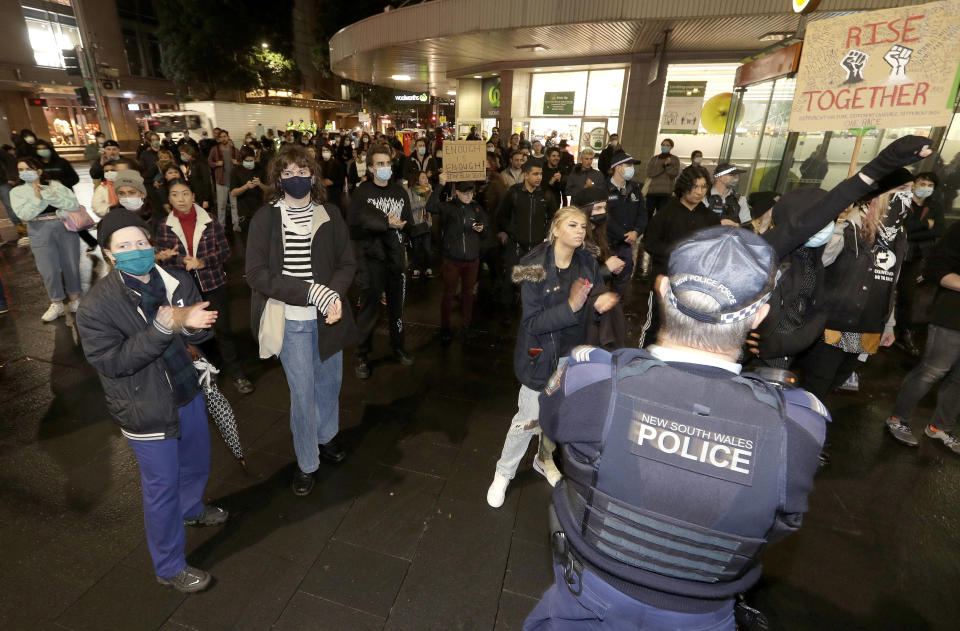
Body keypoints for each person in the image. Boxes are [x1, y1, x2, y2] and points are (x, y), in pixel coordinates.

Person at [525, 226, 828, 630]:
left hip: (589, 598)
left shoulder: (593, 381)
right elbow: (778, 523)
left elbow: (552, 419)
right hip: (702, 615)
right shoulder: (798, 426)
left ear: (663, 290)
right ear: (759, 314)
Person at [76, 209, 225, 594]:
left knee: (195, 461)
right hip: (144, 406)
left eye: (140, 242)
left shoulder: (175, 279)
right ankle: (169, 566)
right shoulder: (96, 306)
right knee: (160, 488)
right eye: (124, 245)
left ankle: (191, 508)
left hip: (186, 389)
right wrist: (163, 327)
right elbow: (113, 362)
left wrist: (194, 328)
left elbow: (202, 333)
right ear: (109, 254)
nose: (135, 250)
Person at [486, 206, 620, 508]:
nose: (580, 231)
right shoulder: (534, 268)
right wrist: (572, 306)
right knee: (529, 417)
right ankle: (504, 472)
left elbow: (592, 284)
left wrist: (599, 297)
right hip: (538, 354)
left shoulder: (585, 260)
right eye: (572, 225)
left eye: (583, 226)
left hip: (571, 356)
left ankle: (543, 459)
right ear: (556, 229)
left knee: (556, 416)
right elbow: (532, 324)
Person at [245, 144, 358, 494]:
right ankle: (307, 460)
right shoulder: (266, 217)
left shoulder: (330, 214)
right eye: (288, 173)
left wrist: (332, 294)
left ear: (313, 175)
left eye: (302, 171)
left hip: (328, 318)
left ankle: (327, 437)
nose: (296, 178)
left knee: (329, 385)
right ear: (278, 178)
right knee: (302, 393)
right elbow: (256, 275)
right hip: (290, 320)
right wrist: (312, 292)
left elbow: (346, 264)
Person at [796, 172, 914, 401]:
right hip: (831, 324)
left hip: (867, 325)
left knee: (836, 382)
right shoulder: (847, 228)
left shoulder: (899, 235)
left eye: (910, 189)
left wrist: (889, 324)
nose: (907, 195)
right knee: (815, 385)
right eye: (902, 188)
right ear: (879, 195)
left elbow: (892, 282)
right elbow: (815, 265)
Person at [154, 179, 254, 395]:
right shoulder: (164, 226)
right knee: (193, 333)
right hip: (184, 289)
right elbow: (163, 258)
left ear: (193, 196)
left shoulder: (210, 220)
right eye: (175, 195)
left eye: (185, 193)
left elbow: (225, 251)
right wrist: (166, 258)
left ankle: (237, 373)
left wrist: (202, 262)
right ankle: (208, 375)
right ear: (169, 199)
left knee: (223, 329)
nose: (181, 199)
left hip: (213, 282)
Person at [887, 219, 960, 454]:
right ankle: (899, 419)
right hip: (952, 316)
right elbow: (934, 269)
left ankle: (939, 428)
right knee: (932, 371)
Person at [348, 143, 415, 379]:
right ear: (370, 168)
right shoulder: (362, 193)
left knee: (397, 309)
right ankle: (362, 356)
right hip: (371, 260)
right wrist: (385, 223)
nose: (385, 168)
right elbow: (355, 223)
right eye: (379, 164)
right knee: (369, 310)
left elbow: (408, 223)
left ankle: (398, 347)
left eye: (387, 163)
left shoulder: (399, 192)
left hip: (395, 259)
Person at [640, 165, 716, 347]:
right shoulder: (666, 212)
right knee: (656, 325)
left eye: (703, 187)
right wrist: (677, 253)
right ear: (684, 186)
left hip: (695, 284)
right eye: (695, 186)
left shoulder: (710, 217)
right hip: (665, 280)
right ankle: (642, 359)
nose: (699, 192)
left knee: (687, 328)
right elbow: (650, 243)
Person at [10, 157, 82, 321]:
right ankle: (56, 302)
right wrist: (39, 199)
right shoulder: (16, 192)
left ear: (39, 171)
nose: (24, 173)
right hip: (38, 229)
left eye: (28, 169)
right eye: (20, 170)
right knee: (48, 269)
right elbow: (24, 214)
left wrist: (49, 196)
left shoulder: (54, 185)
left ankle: (75, 299)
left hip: (64, 227)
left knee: (71, 263)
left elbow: (73, 204)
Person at [428, 175, 488, 344]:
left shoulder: (477, 209)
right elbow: (430, 206)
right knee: (449, 293)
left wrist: (482, 229)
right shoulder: (449, 207)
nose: (469, 196)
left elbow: (486, 230)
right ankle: (445, 328)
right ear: (458, 193)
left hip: (471, 259)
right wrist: (440, 185)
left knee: (468, 294)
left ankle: (467, 326)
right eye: (465, 193)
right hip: (452, 259)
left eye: (471, 193)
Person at [496, 159, 560, 310]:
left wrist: (546, 232)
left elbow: (554, 217)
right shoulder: (514, 192)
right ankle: (506, 313)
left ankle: (531, 312)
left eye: (541, 174)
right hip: (516, 246)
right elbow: (501, 216)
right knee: (511, 280)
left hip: (537, 247)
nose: (539, 177)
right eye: (535, 174)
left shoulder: (545, 194)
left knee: (535, 281)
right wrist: (512, 232)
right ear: (526, 175)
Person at [895, 171, 944, 357]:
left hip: (915, 258)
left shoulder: (935, 206)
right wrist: (926, 226)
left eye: (930, 186)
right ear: (914, 184)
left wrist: (914, 229)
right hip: (894, 253)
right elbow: (901, 229)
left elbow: (940, 229)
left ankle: (903, 333)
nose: (925, 188)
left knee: (907, 296)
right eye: (922, 183)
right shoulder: (902, 201)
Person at [604, 150, 645, 295]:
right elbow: (604, 217)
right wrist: (623, 234)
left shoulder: (634, 189)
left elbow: (642, 213)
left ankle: (616, 311)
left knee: (623, 280)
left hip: (627, 245)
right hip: (607, 243)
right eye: (628, 164)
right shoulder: (604, 188)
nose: (631, 168)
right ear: (617, 167)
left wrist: (636, 231)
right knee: (604, 280)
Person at [207, 130, 241, 232]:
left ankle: (236, 224)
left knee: (234, 204)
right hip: (221, 181)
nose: (223, 138)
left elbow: (241, 162)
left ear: (228, 137)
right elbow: (209, 161)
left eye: (225, 136)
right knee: (221, 205)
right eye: (221, 137)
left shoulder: (235, 150)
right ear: (219, 139)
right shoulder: (215, 150)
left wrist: (237, 162)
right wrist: (216, 164)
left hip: (233, 182)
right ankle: (221, 225)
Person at [229, 148, 267, 233]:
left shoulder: (261, 168)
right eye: (247, 161)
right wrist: (246, 186)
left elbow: (269, 189)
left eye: (251, 160)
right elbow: (233, 192)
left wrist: (260, 184)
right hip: (244, 212)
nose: (249, 163)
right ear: (242, 160)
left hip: (261, 210)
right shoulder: (236, 170)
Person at [406, 170, 433, 280]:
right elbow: (408, 207)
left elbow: (432, 207)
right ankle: (416, 268)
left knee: (427, 249)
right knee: (416, 249)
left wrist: (429, 221)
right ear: (417, 179)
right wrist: (422, 203)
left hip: (425, 223)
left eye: (426, 177)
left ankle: (428, 268)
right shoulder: (410, 191)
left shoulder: (430, 190)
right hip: (415, 225)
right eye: (422, 177)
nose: (425, 179)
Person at [645, 138, 681, 216]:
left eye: (667, 145)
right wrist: (663, 166)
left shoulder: (674, 159)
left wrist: (668, 165)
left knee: (662, 215)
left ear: (671, 147)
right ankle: (648, 228)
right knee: (648, 213)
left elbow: (674, 173)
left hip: (666, 192)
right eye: (663, 145)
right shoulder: (654, 159)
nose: (665, 146)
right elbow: (649, 173)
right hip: (652, 191)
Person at [177, 144, 212, 210]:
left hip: (203, 195)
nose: (182, 156)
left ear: (189, 153)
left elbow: (206, 181)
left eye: (183, 154)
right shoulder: (190, 163)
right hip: (196, 195)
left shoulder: (200, 163)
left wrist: (206, 199)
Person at [319, 144, 346, 209]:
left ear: (331, 152)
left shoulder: (338, 164)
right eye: (323, 150)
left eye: (327, 150)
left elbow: (342, 181)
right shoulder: (319, 164)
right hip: (322, 194)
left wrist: (332, 182)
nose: (325, 152)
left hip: (334, 194)